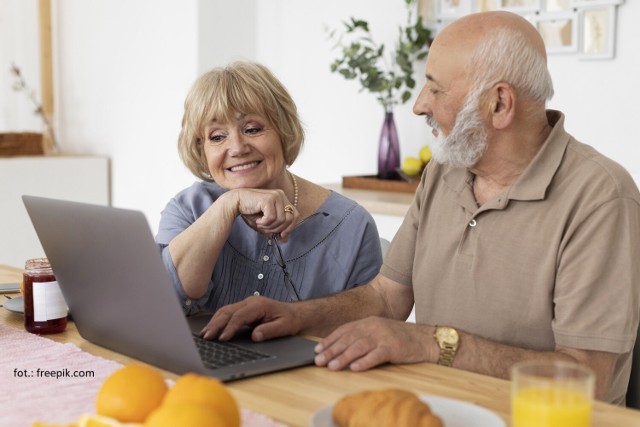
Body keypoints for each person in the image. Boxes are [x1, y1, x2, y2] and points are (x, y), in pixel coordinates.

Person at [202, 12, 640, 405]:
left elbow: (588, 378)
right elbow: (386, 297)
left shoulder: (600, 197)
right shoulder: (444, 172)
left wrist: (432, 343)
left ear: (500, 104)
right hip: (442, 409)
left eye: (435, 87)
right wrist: (297, 316)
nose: (419, 104)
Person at [156, 61, 382, 315]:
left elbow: (370, 330)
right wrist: (231, 203)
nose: (238, 148)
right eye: (217, 136)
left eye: (252, 129)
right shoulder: (188, 208)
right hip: (195, 356)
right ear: (201, 149)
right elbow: (158, 303)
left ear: (284, 131)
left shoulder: (351, 226)